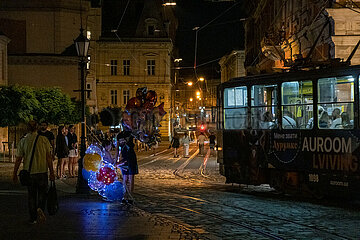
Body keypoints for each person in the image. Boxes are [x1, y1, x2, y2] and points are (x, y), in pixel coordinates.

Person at [12, 120, 55, 224]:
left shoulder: (23, 141)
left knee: (31, 196)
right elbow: (49, 158)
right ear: (37, 127)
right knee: (42, 194)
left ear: (27, 128)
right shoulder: (44, 140)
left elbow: (18, 159)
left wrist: (14, 173)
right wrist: (52, 172)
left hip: (29, 172)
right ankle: (40, 208)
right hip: (42, 171)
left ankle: (33, 218)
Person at [116, 130, 138, 204]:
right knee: (125, 178)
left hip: (131, 158)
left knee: (131, 178)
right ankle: (125, 196)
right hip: (124, 159)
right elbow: (117, 149)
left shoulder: (130, 133)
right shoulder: (119, 136)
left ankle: (130, 196)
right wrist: (116, 160)